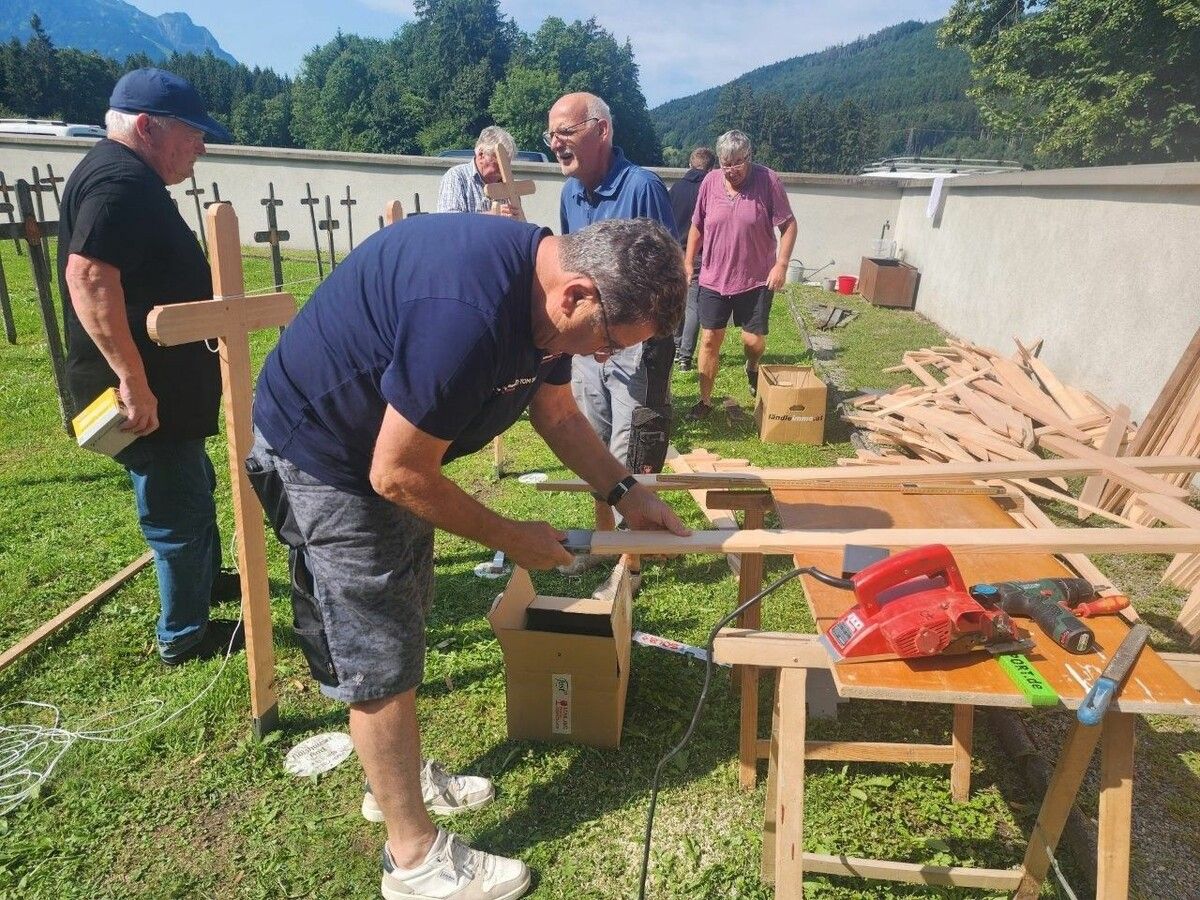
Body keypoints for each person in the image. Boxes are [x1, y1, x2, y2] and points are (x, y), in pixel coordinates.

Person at [246, 213, 688, 900]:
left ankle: (393, 779)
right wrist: (514, 538)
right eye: (607, 345)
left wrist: (626, 493)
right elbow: (395, 474)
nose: (604, 359)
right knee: (378, 654)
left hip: (391, 450)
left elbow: (558, 414)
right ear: (574, 294)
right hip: (325, 454)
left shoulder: (552, 295)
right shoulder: (466, 314)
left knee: (406, 613)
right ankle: (413, 859)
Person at [58, 67, 241, 666]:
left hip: (164, 387)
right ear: (148, 127)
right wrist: (133, 381)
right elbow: (88, 276)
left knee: (191, 486)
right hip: (144, 390)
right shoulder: (119, 181)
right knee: (175, 507)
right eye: (193, 134)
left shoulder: (124, 174)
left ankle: (203, 585)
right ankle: (183, 636)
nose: (202, 147)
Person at [547, 91, 678, 601]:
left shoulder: (642, 187)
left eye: (566, 132)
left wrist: (637, 337)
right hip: (584, 343)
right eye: (552, 134)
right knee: (592, 441)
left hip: (630, 344)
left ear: (601, 130)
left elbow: (668, 272)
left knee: (626, 447)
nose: (557, 144)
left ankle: (631, 560)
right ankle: (605, 545)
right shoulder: (569, 194)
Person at [685, 130, 797, 419]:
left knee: (753, 342)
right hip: (713, 276)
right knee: (709, 339)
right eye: (725, 163)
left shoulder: (768, 180)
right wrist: (688, 262)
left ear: (749, 157)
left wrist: (781, 264)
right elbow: (697, 225)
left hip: (756, 278)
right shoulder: (709, 182)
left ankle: (752, 366)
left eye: (737, 163)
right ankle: (705, 400)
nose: (731, 170)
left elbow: (788, 225)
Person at [667, 146, 716, 371]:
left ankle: (675, 346)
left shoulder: (675, 189)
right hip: (698, 255)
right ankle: (685, 356)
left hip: (674, 252)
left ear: (689, 164)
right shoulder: (713, 191)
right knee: (693, 306)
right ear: (711, 168)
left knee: (676, 301)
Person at [436, 125, 519, 215]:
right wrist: (491, 216)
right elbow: (450, 221)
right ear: (481, 154)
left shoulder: (508, 184)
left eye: (507, 162)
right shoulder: (456, 176)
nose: (504, 168)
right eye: (499, 161)